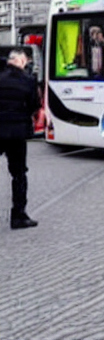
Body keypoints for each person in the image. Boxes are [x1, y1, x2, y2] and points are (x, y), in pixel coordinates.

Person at [0, 50, 40, 229]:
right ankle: (18, 215)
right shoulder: (28, 81)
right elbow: (34, 105)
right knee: (19, 174)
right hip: (17, 132)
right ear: (21, 61)